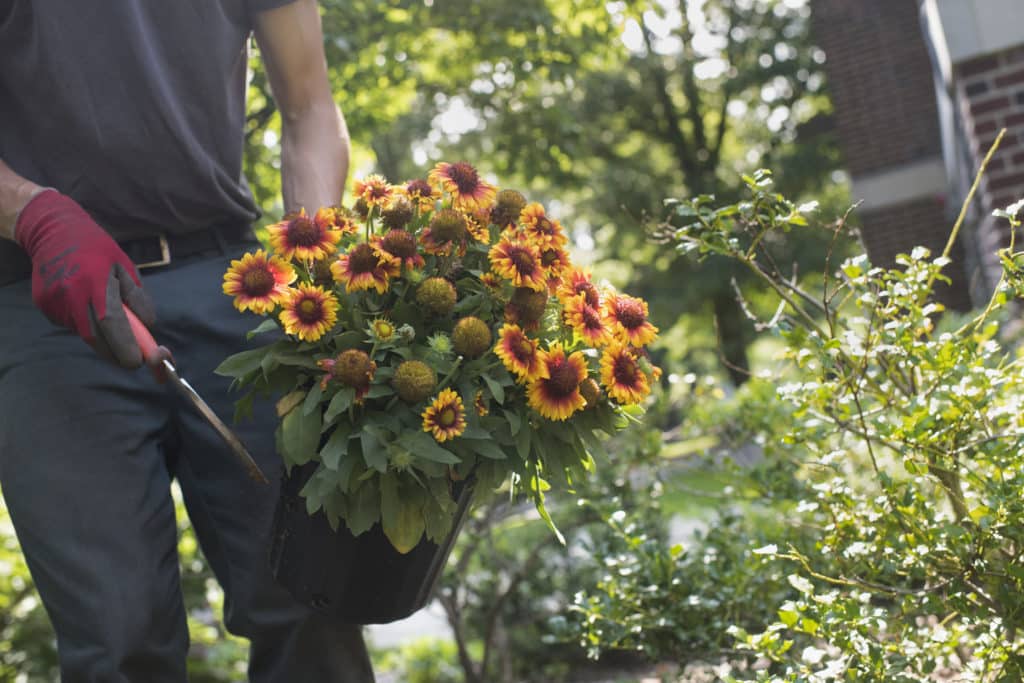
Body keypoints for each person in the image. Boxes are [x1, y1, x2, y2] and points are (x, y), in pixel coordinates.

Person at [0, 1, 376, 681]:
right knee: (117, 637)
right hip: (46, 297)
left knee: (311, 600)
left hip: (232, 285)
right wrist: (33, 211)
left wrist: (317, 270)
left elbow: (311, 106)